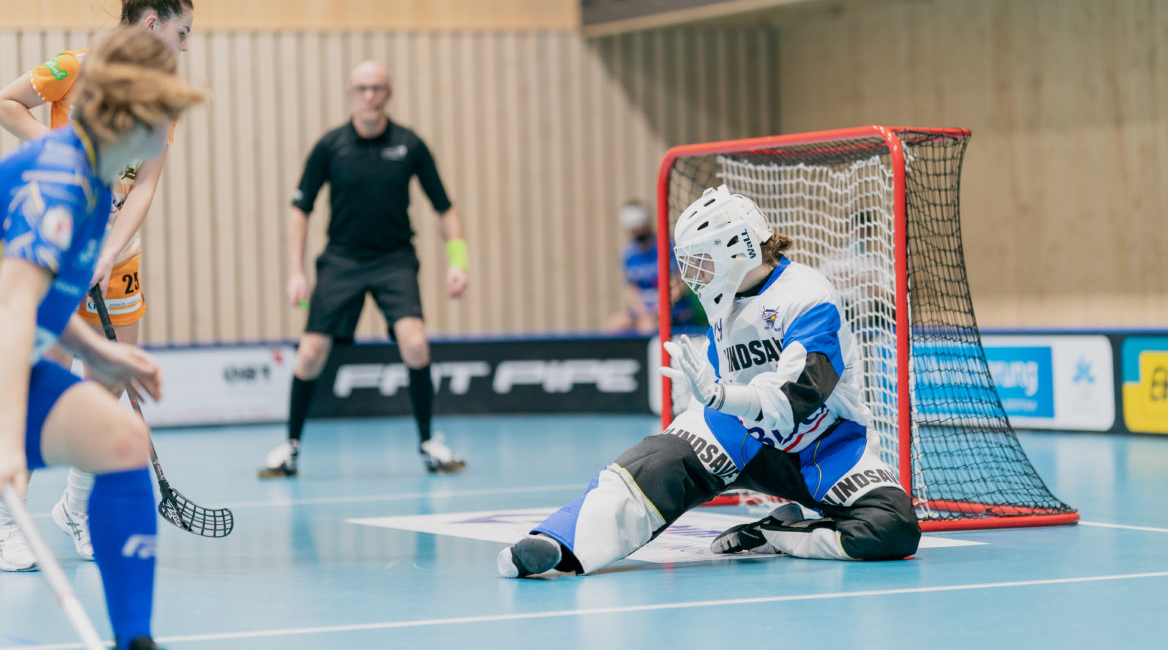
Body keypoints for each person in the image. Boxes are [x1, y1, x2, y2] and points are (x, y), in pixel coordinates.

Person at [497, 185, 920, 578]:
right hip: (743, 432)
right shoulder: (724, 305)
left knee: (893, 526)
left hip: (824, 445)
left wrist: (719, 395)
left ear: (737, 247)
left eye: (701, 259)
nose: (693, 273)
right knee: (658, 460)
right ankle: (557, 541)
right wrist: (711, 404)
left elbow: (798, 399)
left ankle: (776, 534)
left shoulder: (809, 296)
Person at [0, 0, 193, 569]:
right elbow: (6, 102)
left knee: (107, 380)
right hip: (53, 243)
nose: (188, 45)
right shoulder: (74, 68)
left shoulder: (161, 97)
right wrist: (65, 158)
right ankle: (7, 518)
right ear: (150, 26)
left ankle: (74, 510)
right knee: (31, 375)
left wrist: (110, 250)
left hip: (113, 255)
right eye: (183, 32)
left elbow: (143, 186)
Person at [0, 26, 204, 649]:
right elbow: (12, 308)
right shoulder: (62, 179)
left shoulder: (93, 181)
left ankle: (134, 639)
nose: (166, 135)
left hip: (17, 356)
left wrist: (98, 351)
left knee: (121, 438)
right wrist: (9, 441)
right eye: (163, 119)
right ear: (136, 118)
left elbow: (35, 305)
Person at [257, 60, 470, 478]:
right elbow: (300, 209)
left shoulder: (410, 145)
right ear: (350, 94)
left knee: (415, 344)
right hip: (342, 260)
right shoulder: (330, 146)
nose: (369, 96)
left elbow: (445, 208)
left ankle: (429, 442)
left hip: (394, 260)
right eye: (361, 88)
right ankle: (290, 447)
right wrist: (295, 270)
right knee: (311, 353)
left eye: (377, 88)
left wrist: (458, 263)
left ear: (388, 93)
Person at [604, 200, 698, 333]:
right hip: (644, 311)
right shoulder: (628, 254)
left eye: (639, 227)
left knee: (652, 327)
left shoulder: (668, 246)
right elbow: (631, 290)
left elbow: (678, 285)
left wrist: (658, 312)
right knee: (614, 325)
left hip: (672, 308)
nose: (636, 232)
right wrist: (644, 315)